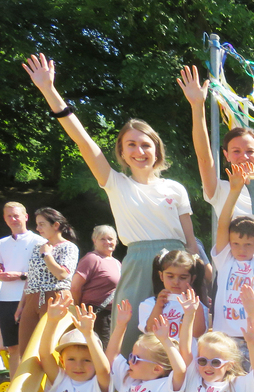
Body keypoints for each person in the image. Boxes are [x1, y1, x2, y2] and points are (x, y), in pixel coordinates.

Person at [25, 54, 199, 354]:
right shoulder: (116, 183)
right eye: (131, 144)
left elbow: (190, 240)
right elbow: (82, 141)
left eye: (146, 144)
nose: (139, 150)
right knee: (130, 331)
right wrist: (49, 91)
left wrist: (198, 272)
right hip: (138, 263)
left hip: (177, 266)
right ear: (121, 150)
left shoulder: (175, 188)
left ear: (156, 149)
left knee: (181, 334)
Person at [178, 65, 254, 329]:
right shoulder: (220, 188)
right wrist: (197, 107)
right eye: (236, 151)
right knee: (232, 334)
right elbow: (202, 155)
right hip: (234, 270)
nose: (244, 156)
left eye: (250, 151)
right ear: (227, 155)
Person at [212, 163, 254, 361]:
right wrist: (234, 191)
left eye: (248, 244)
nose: (241, 249)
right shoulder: (224, 260)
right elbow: (222, 224)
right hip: (227, 337)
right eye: (236, 243)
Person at [16, 208, 78, 353]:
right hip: (32, 299)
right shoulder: (38, 247)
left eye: (42, 224)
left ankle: (54, 376)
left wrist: (47, 255)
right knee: (26, 348)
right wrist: (21, 304)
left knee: (52, 348)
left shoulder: (69, 247)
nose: (37, 228)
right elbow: (31, 276)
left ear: (55, 225)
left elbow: (62, 274)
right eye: (37, 224)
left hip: (55, 298)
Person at [0, 202, 46, 373]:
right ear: (4, 219)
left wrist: (20, 275)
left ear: (25, 217)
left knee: (32, 347)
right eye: (9, 216)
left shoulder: (39, 241)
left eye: (16, 215)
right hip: (5, 299)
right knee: (12, 348)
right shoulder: (2, 243)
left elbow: (44, 272)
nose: (13, 219)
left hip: (30, 298)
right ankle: (14, 391)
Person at [138, 250, 209, 352]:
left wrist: (195, 308)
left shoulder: (197, 305)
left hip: (186, 359)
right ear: (161, 276)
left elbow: (198, 333)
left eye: (183, 277)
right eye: (170, 276)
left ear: (192, 279)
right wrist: (158, 306)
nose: (176, 282)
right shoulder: (149, 304)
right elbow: (150, 330)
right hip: (159, 357)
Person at [70, 225, 121, 346]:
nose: (107, 242)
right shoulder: (92, 259)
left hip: (112, 315)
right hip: (95, 315)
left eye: (110, 239)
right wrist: (80, 309)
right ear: (94, 241)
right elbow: (75, 287)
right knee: (101, 349)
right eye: (103, 239)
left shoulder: (117, 263)